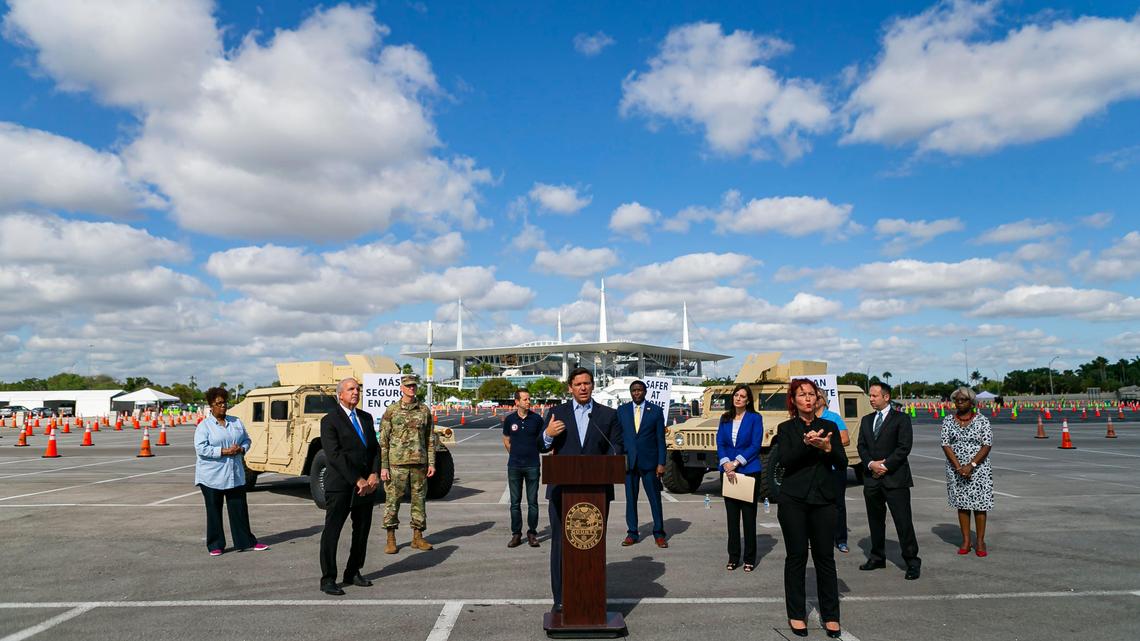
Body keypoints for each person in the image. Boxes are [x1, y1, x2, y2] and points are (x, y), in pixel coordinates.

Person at [541, 367, 624, 612]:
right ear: (570, 387)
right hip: (561, 492)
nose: (583, 388)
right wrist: (547, 434)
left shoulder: (608, 415)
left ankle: (591, 596)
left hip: (596, 492)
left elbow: (617, 446)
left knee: (590, 543)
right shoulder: (557, 413)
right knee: (560, 545)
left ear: (593, 385)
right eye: (578, 384)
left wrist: (613, 457)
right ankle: (560, 599)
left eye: (587, 383)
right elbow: (541, 445)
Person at [777, 378, 846, 638]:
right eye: (802, 394)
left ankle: (831, 615)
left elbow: (841, 463)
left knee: (824, 558)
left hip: (824, 500)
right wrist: (806, 445)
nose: (807, 398)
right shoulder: (786, 429)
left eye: (811, 394)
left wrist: (827, 447)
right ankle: (796, 614)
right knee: (796, 557)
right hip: (793, 500)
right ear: (793, 400)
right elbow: (785, 461)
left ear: (817, 399)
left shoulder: (829, 426)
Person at [318, 378, 380, 596]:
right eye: (351, 389)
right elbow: (334, 455)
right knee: (332, 532)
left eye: (358, 389)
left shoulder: (365, 417)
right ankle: (328, 578)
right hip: (341, 486)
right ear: (340, 395)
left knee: (361, 531)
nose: (356, 392)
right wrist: (357, 479)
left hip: (366, 486)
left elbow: (374, 449)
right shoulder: (330, 421)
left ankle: (353, 571)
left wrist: (373, 473)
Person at [193, 387, 268, 557]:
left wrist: (241, 448)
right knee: (214, 510)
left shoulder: (236, 422)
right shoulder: (204, 426)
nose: (223, 406)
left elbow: (247, 439)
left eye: (224, 403)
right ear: (211, 406)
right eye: (218, 403)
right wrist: (224, 451)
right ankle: (215, 544)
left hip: (235, 475)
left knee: (239, 509)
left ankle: (246, 541)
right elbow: (201, 449)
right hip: (212, 476)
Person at [858, 382, 921, 580]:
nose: (871, 398)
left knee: (903, 522)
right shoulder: (866, 420)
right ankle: (877, 557)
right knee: (875, 522)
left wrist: (884, 466)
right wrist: (870, 464)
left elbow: (904, 447)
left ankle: (911, 561)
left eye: (875, 395)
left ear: (886, 397)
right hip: (872, 481)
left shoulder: (901, 419)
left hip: (895, 480)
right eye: (870, 395)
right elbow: (861, 447)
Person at [380, 373, 436, 554]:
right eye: (408, 386)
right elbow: (384, 441)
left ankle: (417, 537)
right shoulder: (392, 411)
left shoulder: (424, 410)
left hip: (419, 463)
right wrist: (384, 466)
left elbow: (429, 439)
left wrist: (431, 462)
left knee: (419, 500)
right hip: (397, 464)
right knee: (392, 501)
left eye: (414, 386)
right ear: (401, 388)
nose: (411, 388)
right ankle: (391, 538)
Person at [940, 386, 994, 557]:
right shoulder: (948, 420)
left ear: (972, 402)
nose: (959, 403)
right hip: (956, 469)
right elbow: (945, 444)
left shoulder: (982, 420)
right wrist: (958, 467)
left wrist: (971, 465)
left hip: (978, 469)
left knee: (979, 506)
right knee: (962, 505)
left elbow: (987, 445)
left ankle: (979, 541)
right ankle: (965, 540)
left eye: (963, 400)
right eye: (956, 400)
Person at [716, 384, 763, 572]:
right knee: (732, 519)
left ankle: (750, 558)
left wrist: (736, 463)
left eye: (742, 396)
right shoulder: (725, 418)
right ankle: (733, 557)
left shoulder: (755, 418)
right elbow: (720, 442)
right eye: (736, 395)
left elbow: (755, 444)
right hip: (728, 473)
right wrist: (726, 463)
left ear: (748, 400)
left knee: (749, 518)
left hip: (749, 471)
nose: (738, 398)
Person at [618, 380, 668, 548]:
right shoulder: (622, 411)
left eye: (639, 390)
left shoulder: (655, 411)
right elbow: (618, 437)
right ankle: (632, 533)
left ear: (645, 392)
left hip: (650, 463)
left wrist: (661, 463)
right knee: (630, 499)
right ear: (630, 392)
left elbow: (661, 440)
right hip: (629, 463)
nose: (636, 393)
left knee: (655, 499)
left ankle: (659, 533)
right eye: (633, 390)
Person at [502, 389, 543, 548]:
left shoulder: (537, 419)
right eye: (525, 399)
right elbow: (506, 440)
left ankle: (532, 533)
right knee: (515, 503)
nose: (528, 402)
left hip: (533, 465)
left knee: (532, 502)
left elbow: (543, 440)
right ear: (517, 402)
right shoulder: (510, 420)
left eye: (529, 399)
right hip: (514, 466)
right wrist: (515, 454)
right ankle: (516, 534)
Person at [815, 394, 851, 553]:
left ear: (822, 399)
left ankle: (841, 539)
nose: (811, 399)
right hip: (815, 469)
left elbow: (845, 439)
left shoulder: (833, 417)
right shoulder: (807, 418)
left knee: (838, 505)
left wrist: (825, 444)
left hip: (834, 469)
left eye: (815, 396)